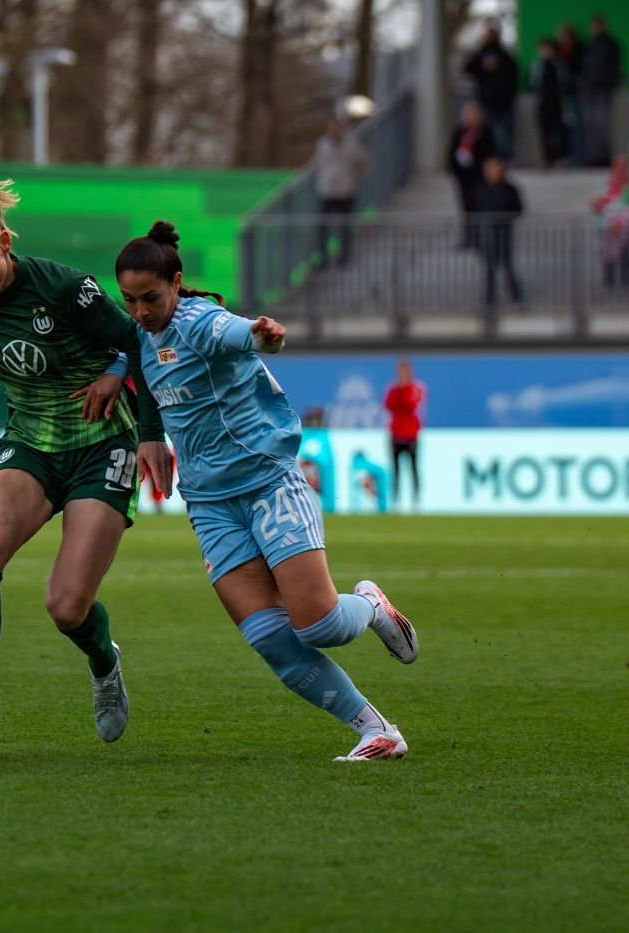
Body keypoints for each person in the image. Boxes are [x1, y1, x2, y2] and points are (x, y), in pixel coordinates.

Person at [114, 221, 417, 762]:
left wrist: (259, 335)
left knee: (319, 624)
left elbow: (233, 332)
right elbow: (142, 371)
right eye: (129, 300)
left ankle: (370, 606)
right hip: (209, 504)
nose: (140, 311)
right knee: (270, 639)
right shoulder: (140, 333)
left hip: (267, 483)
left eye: (150, 298)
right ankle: (377, 731)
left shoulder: (198, 321)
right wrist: (148, 432)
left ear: (177, 284)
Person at [0, 177, 169, 746]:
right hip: (31, 442)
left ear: (5, 242)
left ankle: (104, 661)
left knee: (65, 607)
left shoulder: (62, 286)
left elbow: (137, 338)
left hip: (102, 442)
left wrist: (127, 396)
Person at [467, 156, 524, 310]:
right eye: (489, 168)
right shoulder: (478, 189)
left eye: (495, 168)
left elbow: (518, 209)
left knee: (508, 266)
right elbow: (472, 211)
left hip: (504, 232)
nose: (492, 172)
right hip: (487, 234)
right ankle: (489, 300)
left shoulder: (510, 189)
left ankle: (517, 297)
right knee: (489, 268)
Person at [312, 116, 369, 266]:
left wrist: (353, 177)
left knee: (344, 227)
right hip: (327, 190)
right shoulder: (323, 143)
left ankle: (344, 257)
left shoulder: (350, 144)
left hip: (345, 190)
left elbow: (362, 162)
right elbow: (318, 163)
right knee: (323, 227)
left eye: (336, 127)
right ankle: (322, 258)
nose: (333, 130)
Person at [464, 19, 519, 161]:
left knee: (503, 133)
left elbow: (513, 75)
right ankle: (491, 160)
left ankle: (502, 160)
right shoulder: (482, 55)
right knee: (488, 132)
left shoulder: (504, 57)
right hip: (487, 101)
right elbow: (468, 67)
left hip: (502, 101)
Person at [445, 102, 497, 247]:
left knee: (478, 208)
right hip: (463, 178)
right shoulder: (459, 132)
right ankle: (469, 237)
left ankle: (479, 237)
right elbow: (452, 154)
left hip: (479, 177)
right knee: (466, 208)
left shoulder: (485, 133)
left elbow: (490, 154)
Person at [591, 154, 629, 287]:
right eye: (618, 167)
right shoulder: (609, 185)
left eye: (624, 167)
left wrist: (625, 221)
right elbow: (602, 205)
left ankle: (625, 281)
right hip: (607, 229)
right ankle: (609, 282)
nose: (621, 170)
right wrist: (597, 205)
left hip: (625, 229)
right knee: (608, 257)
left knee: (625, 256)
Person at [580, 14, 622, 167]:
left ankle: (603, 156)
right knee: (589, 124)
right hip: (588, 88)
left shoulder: (610, 44)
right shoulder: (590, 45)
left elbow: (615, 66)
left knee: (601, 122)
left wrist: (610, 82)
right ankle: (593, 155)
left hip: (602, 88)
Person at [383, 360, 425, 512]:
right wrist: (399, 390)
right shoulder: (393, 389)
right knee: (396, 470)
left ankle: (416, 501)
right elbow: (388, 405)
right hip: (396, 434)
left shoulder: (415, 388)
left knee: (413, 468)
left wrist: (403, 390)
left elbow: (411, 404)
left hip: (411, 434)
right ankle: (395, 501)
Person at [529, 37, 567, 168]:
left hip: (557, 102)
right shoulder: (537, 65)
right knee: (543, 130)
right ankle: (547, 157)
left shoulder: (558, 64)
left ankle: (559, 155)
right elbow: (532, 82)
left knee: (558, 130)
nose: (545, 52)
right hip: (542, 102)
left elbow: (564, 82)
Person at [556, 22, 586, 164]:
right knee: (564, 126)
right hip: (561, 97)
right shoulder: (558, 51)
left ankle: (579, 155)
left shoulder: (579, 49)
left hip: (575, 94)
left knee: (577, 126)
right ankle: (566, 154)